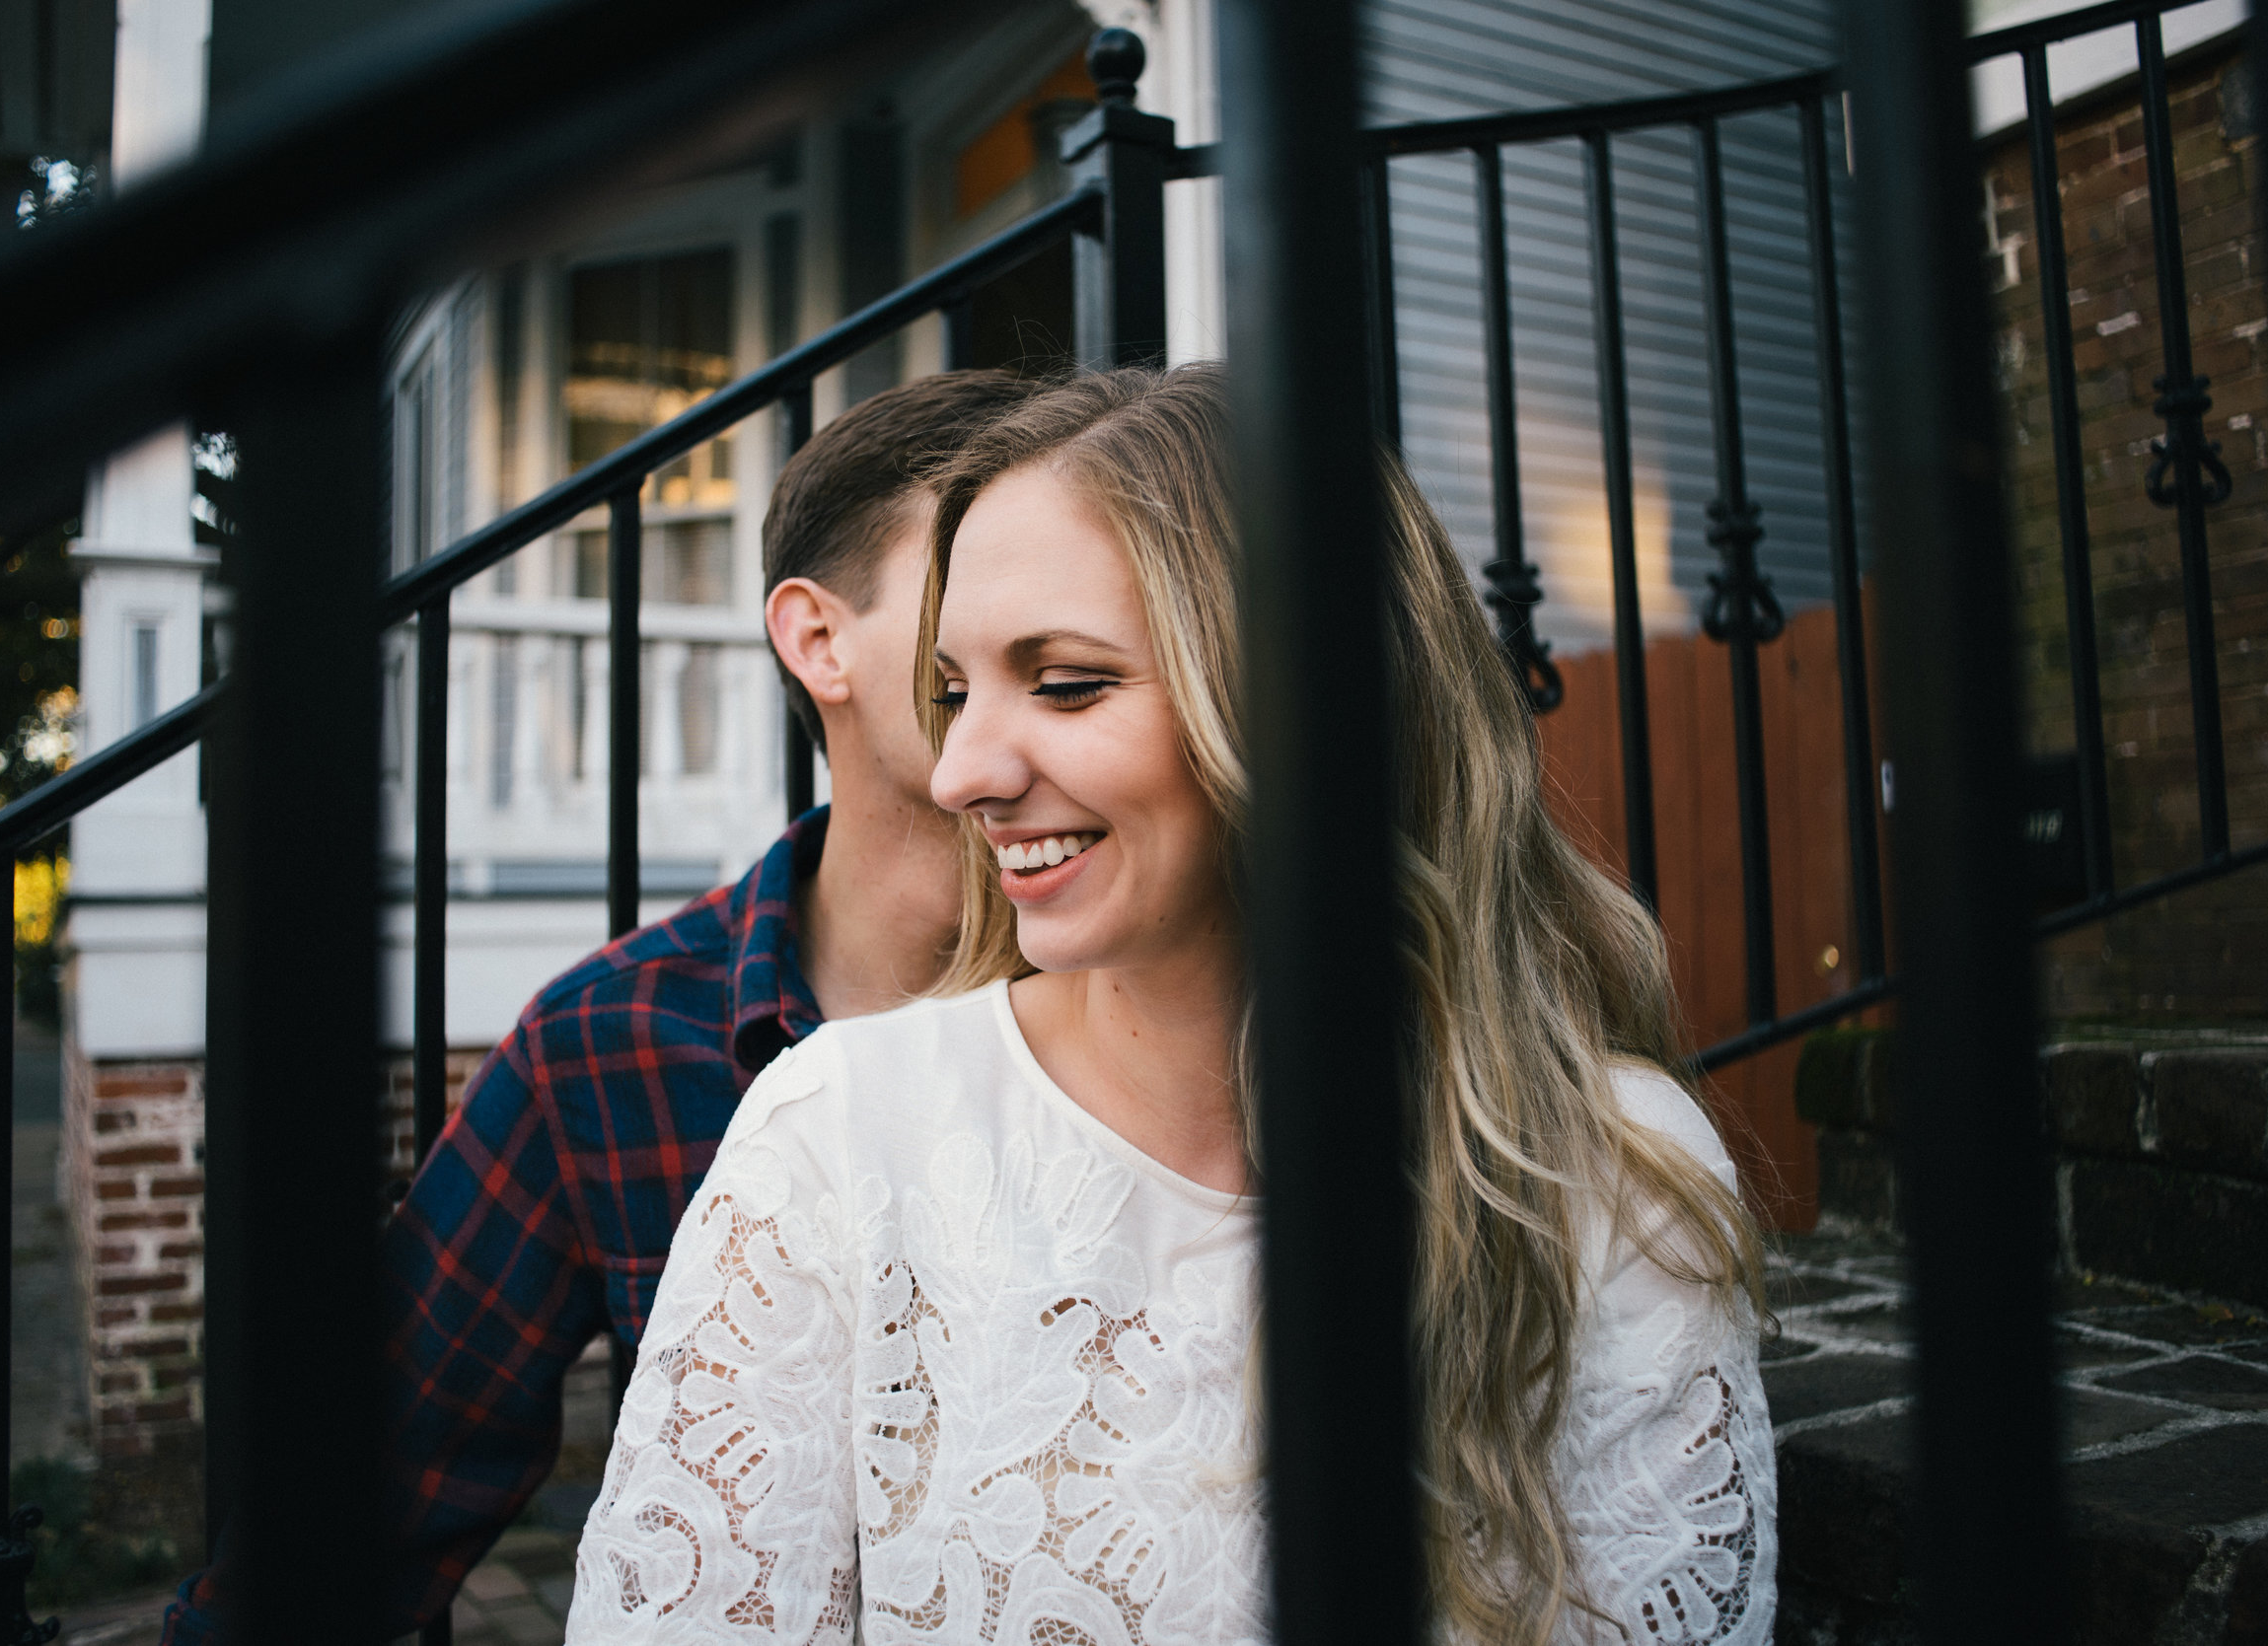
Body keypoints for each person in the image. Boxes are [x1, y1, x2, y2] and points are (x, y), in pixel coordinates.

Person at [565, 365, 1775, 1646]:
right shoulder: (837, 1140)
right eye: (953, 688)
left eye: (1068, 682)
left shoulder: (1611, 1182)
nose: (967, 768)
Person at [156, 370, 1039, 1643]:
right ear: (818, 639)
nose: (1029, 621)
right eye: (973, 574)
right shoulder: (612, 1046)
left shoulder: (1166, 999)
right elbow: (355, 1514)